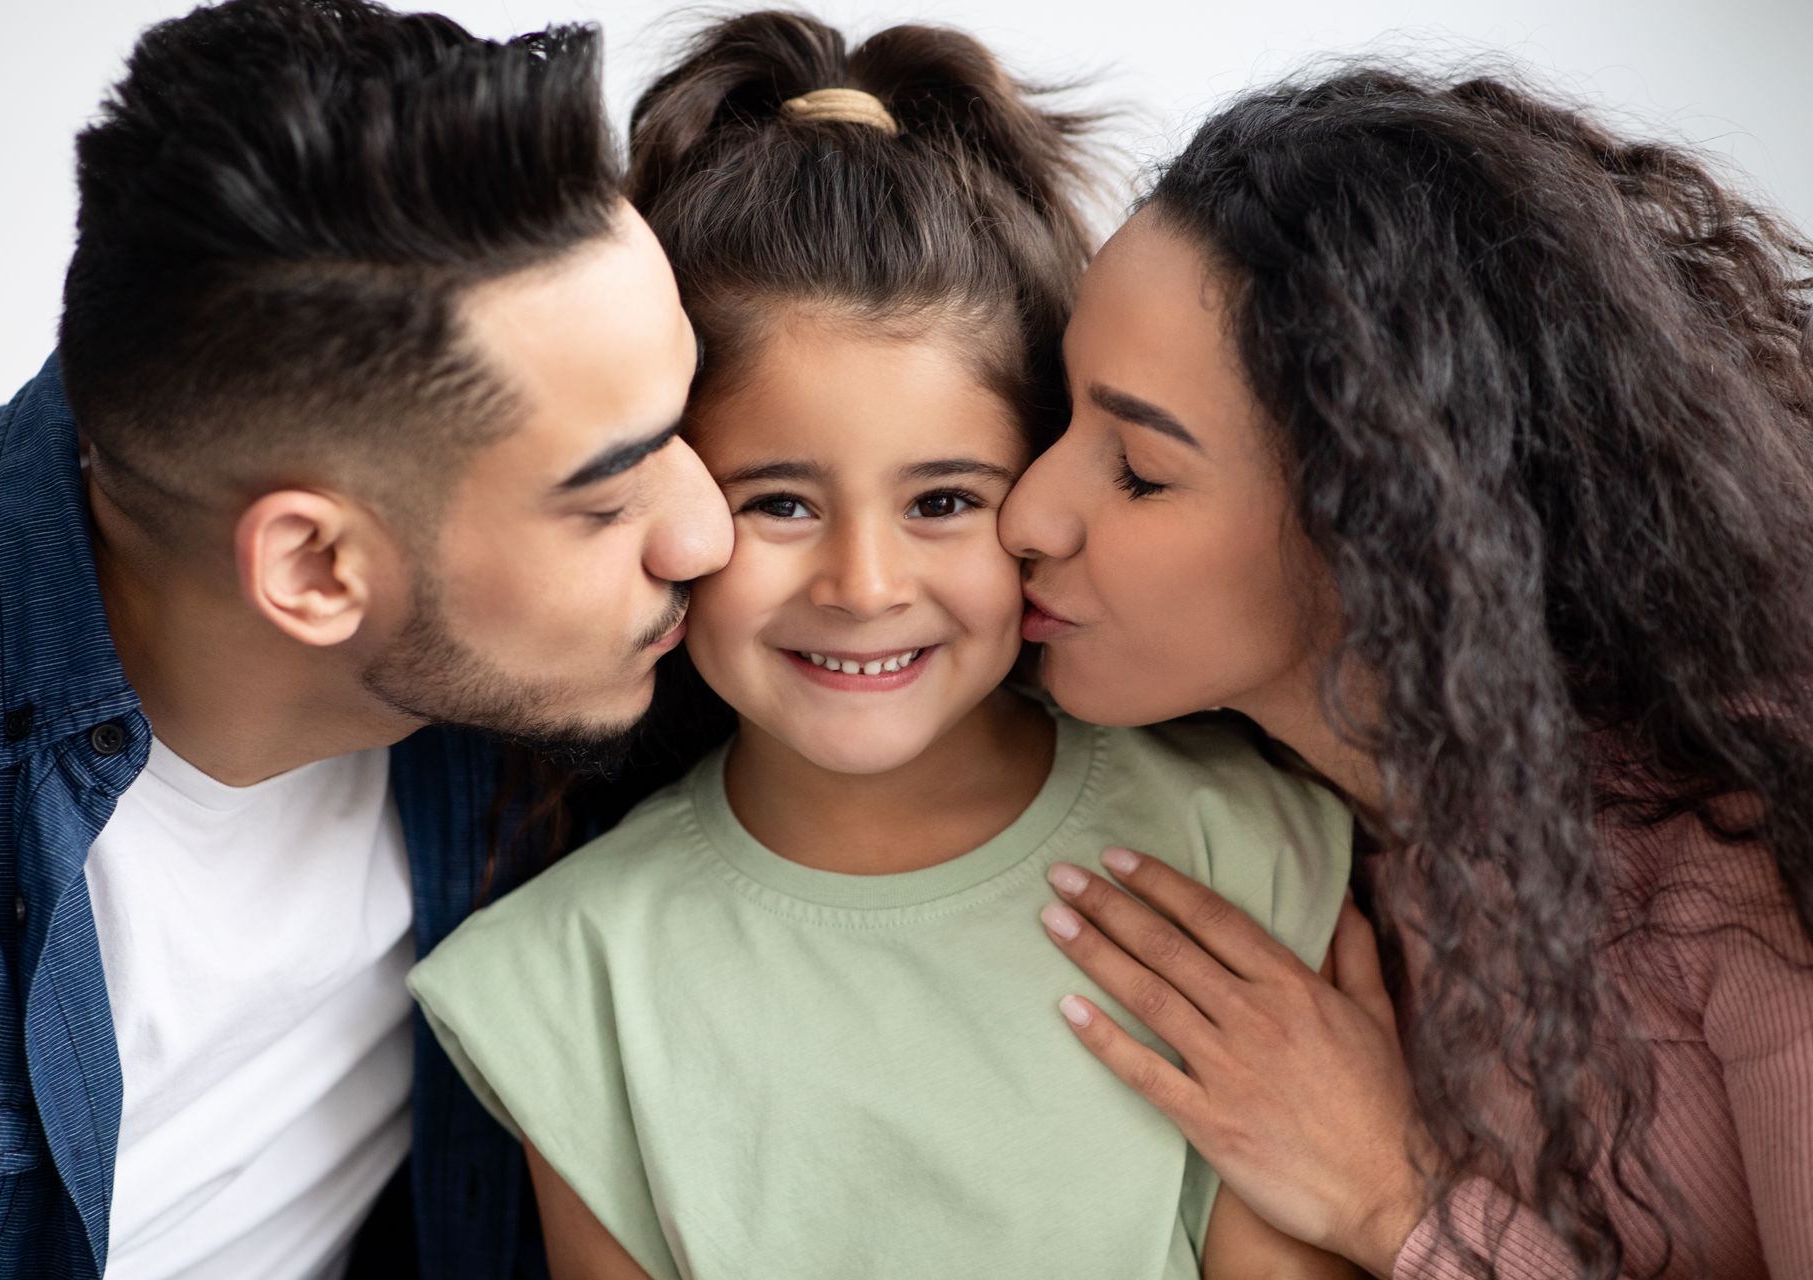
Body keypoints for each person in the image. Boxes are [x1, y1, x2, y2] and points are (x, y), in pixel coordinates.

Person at [408, 13, 1360, 1280]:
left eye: (945, 501)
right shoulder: (574, 972)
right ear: (677, 502)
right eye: (782, 504)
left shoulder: (1238, 839)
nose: (863, 586)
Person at [0, 1, 729, 1275]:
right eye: (608, 498)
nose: (707, 533)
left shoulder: (551, 679)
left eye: (685, 422)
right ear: (313, 566)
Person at [1000, 67, 1813, 1278]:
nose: (1027, 512)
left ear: (1384, 525)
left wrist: (1398, 1203)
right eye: (1060, 417)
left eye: (1139, 472)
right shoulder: (1248, 829)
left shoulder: (1747, 826)